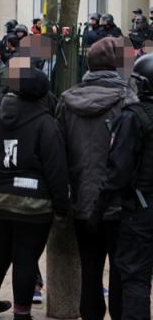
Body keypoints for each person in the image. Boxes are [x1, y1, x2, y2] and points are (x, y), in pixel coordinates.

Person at [0, 67, 69, 320]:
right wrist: (62, 208)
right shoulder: (45, 122)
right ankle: (22, 313)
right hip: (33, 201)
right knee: (26, 256)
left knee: (1, 250)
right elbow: (56, 169)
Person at [57, 37, 135, 320]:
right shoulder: (129, 100)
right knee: (121, 270)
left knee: (90, 271)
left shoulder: (67, 100)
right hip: (120, 203)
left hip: (82, 203)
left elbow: (59, 153)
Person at [93, 53, 153, 320]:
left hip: (141, 209)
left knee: (135, 278)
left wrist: (99, 208)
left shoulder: (133, 118)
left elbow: (117, 169)